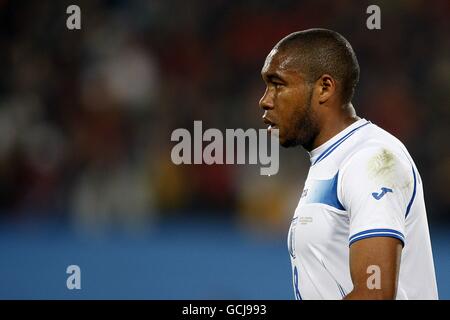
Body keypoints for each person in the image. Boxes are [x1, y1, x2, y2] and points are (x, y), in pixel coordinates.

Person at [259, 28, 438, 299]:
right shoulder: (333, 159)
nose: (265, 100)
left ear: (324, 88)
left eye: (278, 84)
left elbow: (375, 293)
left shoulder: (371, 160)